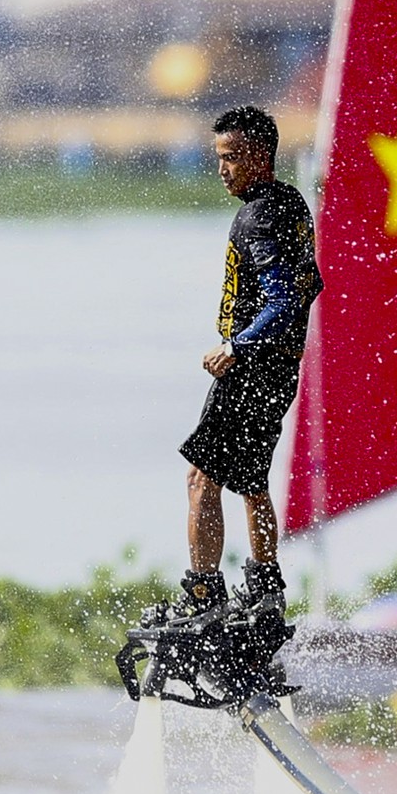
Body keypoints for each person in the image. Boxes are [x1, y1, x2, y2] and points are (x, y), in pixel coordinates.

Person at [158, 106, 322, 625]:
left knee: (201, 478)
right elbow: (311, 284)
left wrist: (238, 345)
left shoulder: (257, 217)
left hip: (250, 368)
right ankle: (266, 590)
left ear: (258, 156)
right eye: (218, 159)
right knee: (252, 480)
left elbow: (283, 299)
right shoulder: (291, 202)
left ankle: (204, 596)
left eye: (230, 158)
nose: (222, 169)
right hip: (279, 371)